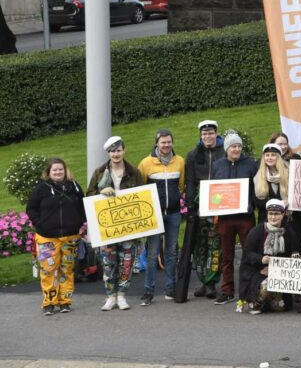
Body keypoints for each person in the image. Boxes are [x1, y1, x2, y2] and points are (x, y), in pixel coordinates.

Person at [86, 136, 144, 311]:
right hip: (107, 227)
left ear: (124, 151)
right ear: (108, 153)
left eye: (119, 150)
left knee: (126, 262)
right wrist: (100, 191)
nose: (116, 154)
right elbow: (89, 195)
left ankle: (122, 296)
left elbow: (141, 198)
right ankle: (111, 296)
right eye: (112, 151)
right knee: (109, 262)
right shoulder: (99, 172)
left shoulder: (134, 172)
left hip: (128, 225)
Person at [26, 158, 86, 315]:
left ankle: (65, 301)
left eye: (61, 169)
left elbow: (83, 206)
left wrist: (79, 222)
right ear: (49, 172)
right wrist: (41, 224)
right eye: (55, 170)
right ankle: (49, 303)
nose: (58, 172)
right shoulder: (40, 189)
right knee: (48, 270)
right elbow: (31, 209)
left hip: (70, 237)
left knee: (67, 270)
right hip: (47, 237)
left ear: (65, 170)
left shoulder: (74, 187)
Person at [137, 128, 186, 306]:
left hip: (173, 213)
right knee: (152, 254)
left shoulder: (179, 161)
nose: (166, 145)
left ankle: (170, 288)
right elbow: (140, 188)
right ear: (157, 143)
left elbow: (181, 186)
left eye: (169, 142)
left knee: (172, 253)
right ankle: (148, 290)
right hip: (154, 216)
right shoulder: (145, 163)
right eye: (163, 142)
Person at [211, 133, 258, 305]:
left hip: (245, 217)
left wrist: (251, 204)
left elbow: (256, 189)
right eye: (233, 146)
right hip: (225, 217)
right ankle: (227, 290)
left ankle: (248, 289)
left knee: (249, 253)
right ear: (227, 149)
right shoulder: (217, 165)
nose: (236, 149)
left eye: (238, 146)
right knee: (226, 256)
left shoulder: (251, 164)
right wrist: (214, 205)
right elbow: (214, 190)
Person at [237, 199, 301, 314]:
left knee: (280, 307)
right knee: (267, 286)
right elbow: (248, 254)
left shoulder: (290, 232)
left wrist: (294, 255)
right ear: (267, 214)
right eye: (270, 214)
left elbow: (296, 251)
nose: (273, 217)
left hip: (281, 273)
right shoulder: (257, 231)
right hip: (258, 272)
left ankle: (268, 302)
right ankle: (255, 303)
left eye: (276, 214)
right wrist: (260, 259)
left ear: (283, 214)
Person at [185, 120, 225, 299]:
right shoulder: (193, 155)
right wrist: (190, 204)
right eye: (204, 134)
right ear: (200, 136)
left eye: (211, 133)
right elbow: (190, 181)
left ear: (216, 133)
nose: (208, 137)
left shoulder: (224, 152)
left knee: (215, 244)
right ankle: (203, 281)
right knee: (200, 245)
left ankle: (212, 282)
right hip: (200, 202)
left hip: (219, 202)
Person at [254, 143, 301, 240]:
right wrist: (277, 204)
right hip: (268, 221)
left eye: (273, 155)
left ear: (278, 157)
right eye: (267, 155)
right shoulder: (259, 176)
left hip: (290, 220)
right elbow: (257, 201)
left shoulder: (290, 172)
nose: (270, 158)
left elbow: (300, 193)